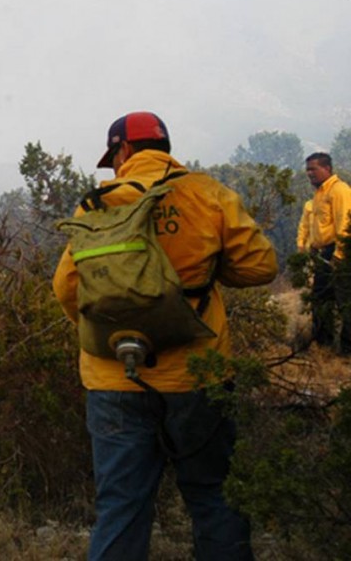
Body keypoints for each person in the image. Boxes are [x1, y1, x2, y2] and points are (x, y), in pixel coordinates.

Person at [53, 111, 278, 560]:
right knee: (215, 496)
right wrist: (205, 275)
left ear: (124, 150)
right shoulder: (206, 194)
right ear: (166, 149)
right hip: (200, 375)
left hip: (114, 378)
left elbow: (66, 287)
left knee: (121, 505)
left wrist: (110, 329)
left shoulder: (97, 205)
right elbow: (261, 266)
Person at [303, 152, 351, 353]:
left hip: (337, 253)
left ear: (327, 169)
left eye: (313, 169)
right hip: (323, 253)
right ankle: (323, 347)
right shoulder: (320, 193)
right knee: (320, 300)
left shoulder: (339, 190)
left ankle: (347, 351)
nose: (309, 174)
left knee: (344, 302)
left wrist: (339, 255)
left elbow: (345, 223)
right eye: (307, 170)